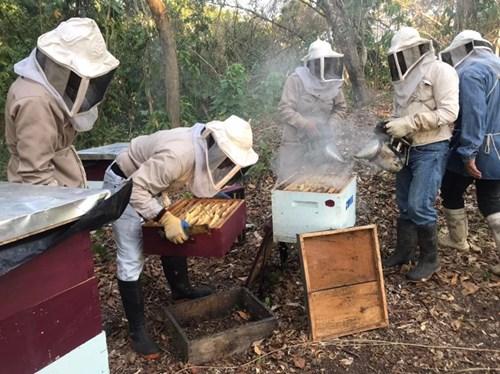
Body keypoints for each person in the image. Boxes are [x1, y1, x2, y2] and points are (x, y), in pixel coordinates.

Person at [102, 115, 258, 359]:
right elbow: (136, 189)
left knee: (172, 234)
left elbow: (195, 182)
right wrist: (164, 217)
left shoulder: (198, 148)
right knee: (131, 256)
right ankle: (137, 333)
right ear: (217, 145)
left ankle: (181, 289)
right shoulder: (178, 156)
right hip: (125, 186)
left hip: (151, 185)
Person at [381, 27, 459, 282]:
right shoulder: (403, 80)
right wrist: (390, 126)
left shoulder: (441, 71)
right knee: (404, 204)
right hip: (407, 148)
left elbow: (449, 113)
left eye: (405, 53)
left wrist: (410, 122)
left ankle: (430, 259)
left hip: (432, 148)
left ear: (418, 49)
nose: (401, 59)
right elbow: (400, 113)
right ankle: (404, 252)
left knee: (419, 205)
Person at [5, 17, 119, 187]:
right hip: (47, 200)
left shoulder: (46, 92)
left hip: (63, 189)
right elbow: (37, 177)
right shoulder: (35, 102)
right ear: (60, 66)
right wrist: (62, 209)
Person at [438, 31, 500, 276]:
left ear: (461, 49)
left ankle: (458, 240)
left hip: (479, 147)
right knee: (492, 201)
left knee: (451, 189)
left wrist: (467, 153)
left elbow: (474, 116)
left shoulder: (470, 72)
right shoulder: (496, 64)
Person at [277, 38, 347, 181]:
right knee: (288, 182)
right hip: (294, 140)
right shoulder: (295, 80)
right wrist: (306, 124)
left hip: (320, 141)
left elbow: (341, 108)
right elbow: (285, 109)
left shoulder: (333, 82)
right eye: (320, 62)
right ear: (310, 63)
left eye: (327, 62)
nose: (325, 66)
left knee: (315, 181)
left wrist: (330, 126)